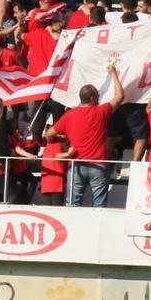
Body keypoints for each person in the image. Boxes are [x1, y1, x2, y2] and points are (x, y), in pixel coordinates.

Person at [46, 68, 124, 207]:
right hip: (98, 166)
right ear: (92, 98)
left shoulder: (69, 115)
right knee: (99, 206)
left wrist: (62, 141)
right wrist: (113, 74)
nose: (100, 99)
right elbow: (120, 96)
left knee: (73, 205)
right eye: (98, 96)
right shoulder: (101, 111)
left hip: (76, 165)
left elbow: (49, 133)